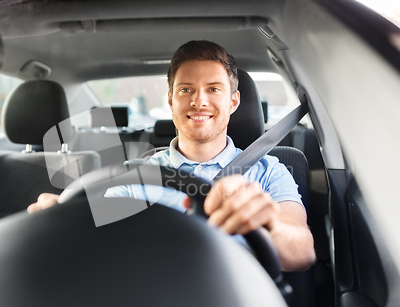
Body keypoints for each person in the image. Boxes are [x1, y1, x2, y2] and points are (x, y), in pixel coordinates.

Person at [28, 40, 315, 272]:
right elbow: (94, 224)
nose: (199, 100)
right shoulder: (136, 175)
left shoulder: (268, 171)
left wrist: (267, 225)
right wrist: (62, 216)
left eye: (213, 89)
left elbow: (301, 253)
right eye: (186, 89)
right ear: (170, 100)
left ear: (233, 101)